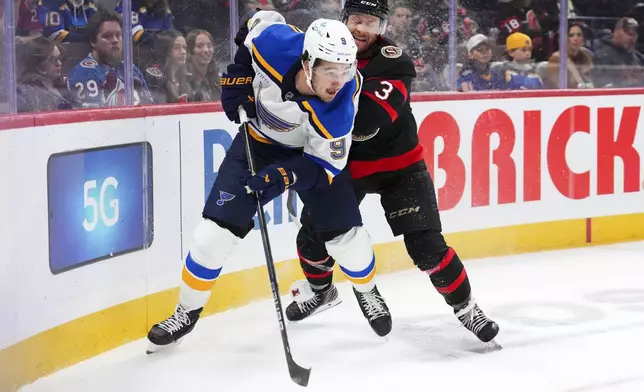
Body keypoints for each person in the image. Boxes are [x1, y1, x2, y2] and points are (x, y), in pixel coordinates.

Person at [147, 10, 392, 353]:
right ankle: (185, 313)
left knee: (346, 240)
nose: (339, 81)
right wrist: (238, 77)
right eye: (330, 71)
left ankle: (367, 291)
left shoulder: (340, 107)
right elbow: (255, 24)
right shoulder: (277, 45)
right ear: (307, 63)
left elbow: (324, 168)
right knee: (211, 237)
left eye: (346, 69)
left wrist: (286, 175)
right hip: (257, 145)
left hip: (309, 158)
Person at [284, 0, 500, 344]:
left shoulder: (393, 61)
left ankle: (466, 308)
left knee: (427, 247)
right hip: (346, 167)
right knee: (311, 237)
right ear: (343, 20)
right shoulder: (320, 50)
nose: (361, 29)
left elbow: (367, 123)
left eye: (370, 23)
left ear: (381, 28)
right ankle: (320, 291)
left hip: (401, 167)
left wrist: (317, 95)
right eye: (356, 20)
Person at [67, 9, 153, 108]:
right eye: (107, 36)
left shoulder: (130, 69)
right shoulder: (85, 72)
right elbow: (95, 118)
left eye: (118, 35)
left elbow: (150, 107)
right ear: (93, 41)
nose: (115, 40)